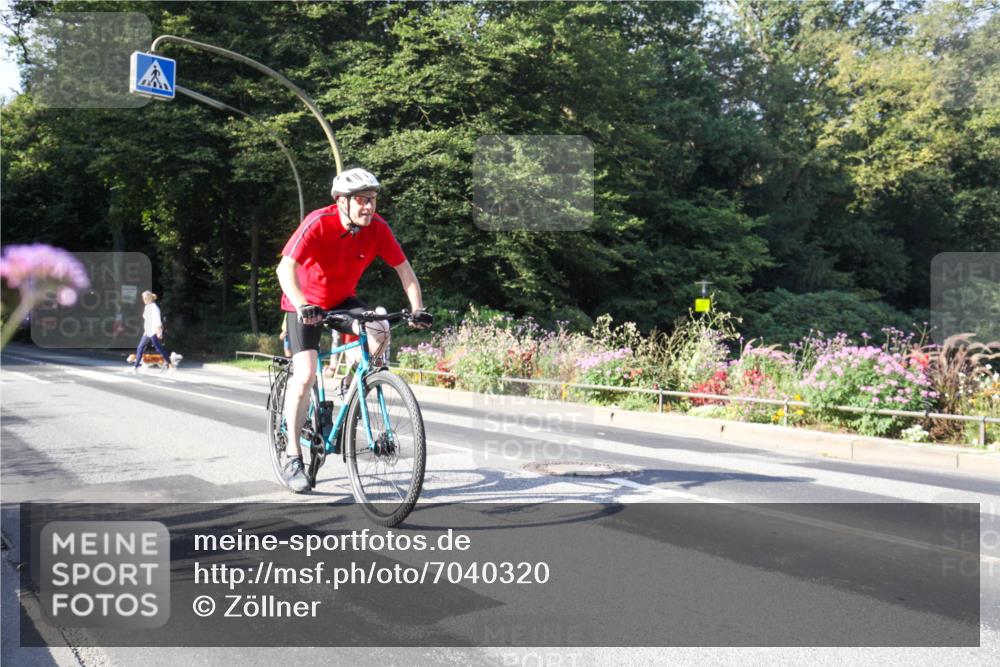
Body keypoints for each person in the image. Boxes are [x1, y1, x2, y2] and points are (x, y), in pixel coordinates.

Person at [276, 167, 433, 493]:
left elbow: (405, 271)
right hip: (304, 303)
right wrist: (303, 303)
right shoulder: (319, 222)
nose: (369, 207)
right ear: (341, 202)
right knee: (304, 375)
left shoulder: (377, 229)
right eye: (362, 200)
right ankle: (293, 455)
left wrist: (417, 309)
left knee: (381, 328)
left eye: (373, 200)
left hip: (342, 299)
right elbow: (285, 267)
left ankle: (357, 382)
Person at [133, 291, 176, 374]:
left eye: (145, 298)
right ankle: (135, 367)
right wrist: (145, 330)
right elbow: (148, 320)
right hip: (148, 331)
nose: (144, 300)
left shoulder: (154, 307)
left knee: (159, 349)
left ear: (149, 298)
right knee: (140, 348)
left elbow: (157, 320)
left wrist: (159, 331)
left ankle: (171, 366)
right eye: (143, 298)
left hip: (153, 331)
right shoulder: (147, 307)